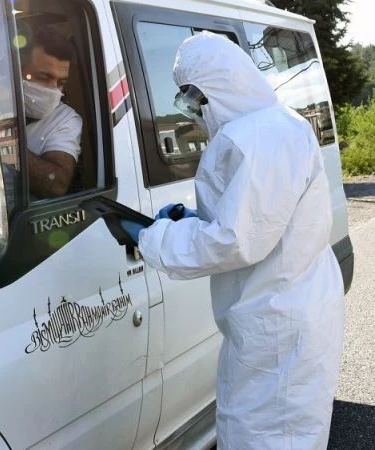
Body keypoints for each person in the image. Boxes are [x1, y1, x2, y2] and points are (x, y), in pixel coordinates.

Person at [120, 31, 344, 450]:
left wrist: (154, 238)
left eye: (193, 98)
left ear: (215, 89)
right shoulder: (278, 124)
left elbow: (235, 240)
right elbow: (257, 219)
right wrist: (195, 220)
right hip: (287, 304)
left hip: (274, 320)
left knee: (266, 435)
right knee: (283, 431)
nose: (193, 112)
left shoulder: (253, 137)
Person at [0, 26, 82, 198]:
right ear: (16, 70)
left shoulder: (65, 119)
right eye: (44, 77)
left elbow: (56, 185)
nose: (53, 90)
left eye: (61, 82)